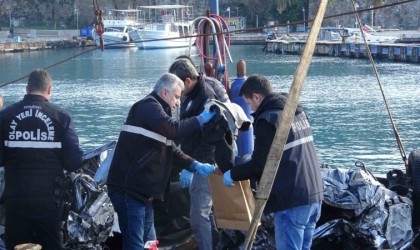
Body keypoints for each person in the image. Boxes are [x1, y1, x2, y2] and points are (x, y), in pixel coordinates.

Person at [106, 73, 216, 250]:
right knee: (135, 243)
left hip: (144, 192)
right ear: (165, 92)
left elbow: (172, 149)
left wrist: (194, 165)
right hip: (129, 189)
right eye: (177, 96)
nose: (179, 102)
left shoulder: (159, 114)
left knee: (150, 244)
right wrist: (201, 119)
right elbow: (174, 130)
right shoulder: (147, 107)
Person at [223, 75, 323, 250]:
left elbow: (259, 165)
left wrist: (232, 174)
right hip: (314, 195)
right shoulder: (296, 112)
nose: (251, 109)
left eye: (250, 104)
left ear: (257, 97)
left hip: (291, 200)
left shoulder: (268, 120)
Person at [0, 69, 84, 250]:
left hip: (16, 200)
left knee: (16, 245)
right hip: (49, 203)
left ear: (27, 88)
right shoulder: (62, 117)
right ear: (49, 89)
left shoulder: (5, 116)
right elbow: (73, 162)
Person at [169, 58, 219, 250]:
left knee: (199, 215)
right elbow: (184, 127)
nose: (178, 93)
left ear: (188, 81)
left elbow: (209, 140)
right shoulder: (190, 96)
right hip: (191, 159)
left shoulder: (206, 98)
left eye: (179, 87)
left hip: (203, 163)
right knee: (204, 212)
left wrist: (194, 166)